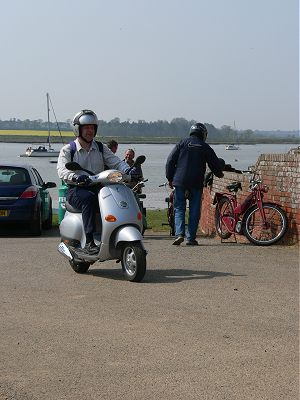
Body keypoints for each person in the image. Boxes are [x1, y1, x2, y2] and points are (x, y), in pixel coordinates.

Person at [57, 110, 138, 255]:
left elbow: (116, 162)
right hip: (76, 189)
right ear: (78, 129)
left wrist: (129, 170)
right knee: (88, 199)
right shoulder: (69, 150)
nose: (90, 131)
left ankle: (113, 233)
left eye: (92, 127)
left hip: (99, 187)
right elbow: (62, 171)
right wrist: (75, 177)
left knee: (116, 195)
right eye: (86, 127)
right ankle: (89, 241)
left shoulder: (101, 148)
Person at [165, 122, 224, 246]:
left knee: (179, 208)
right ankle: (190, 238)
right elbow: (214, 164)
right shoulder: (204, 146)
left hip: (180, 181)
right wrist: (220, 174)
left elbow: (170, 161)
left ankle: (179, 234)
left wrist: (170, 178)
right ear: (203, 134)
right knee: (194, 210)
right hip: (196, 182)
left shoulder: (181, 143)